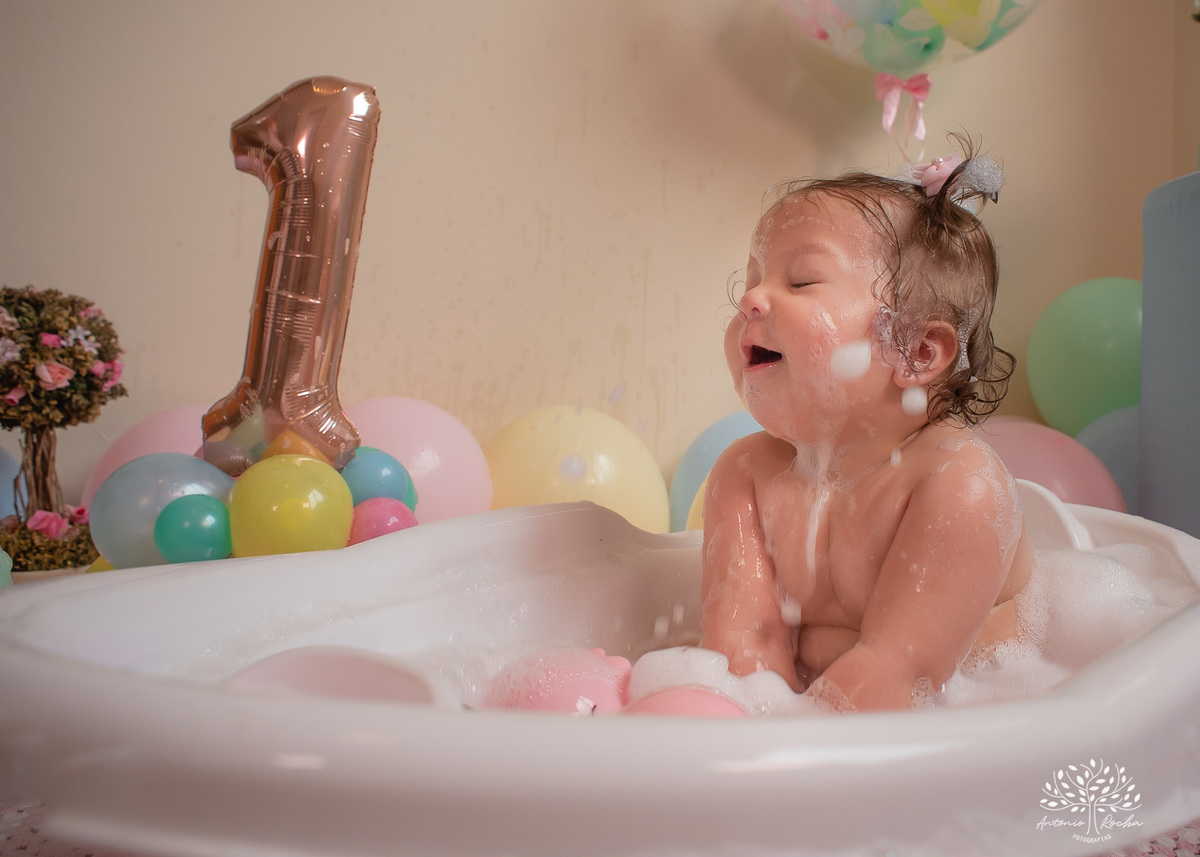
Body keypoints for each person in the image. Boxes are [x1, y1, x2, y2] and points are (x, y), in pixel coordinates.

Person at [700, 138, 1033, 712]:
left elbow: (898, 674)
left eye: (802, 281)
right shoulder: (745, 474)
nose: (752, 298)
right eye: (750, 280)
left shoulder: (959, 485)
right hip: (830, 724)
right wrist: (753, 734)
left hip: (971, 729)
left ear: (915, 351)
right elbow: (743, 647)